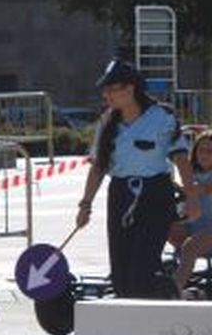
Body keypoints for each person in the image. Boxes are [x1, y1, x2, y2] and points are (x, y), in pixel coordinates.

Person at [74, 59, 199, 299]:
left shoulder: (162, 118)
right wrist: (85, 205)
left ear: (130, 89)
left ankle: (176, 300)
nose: (106, 94)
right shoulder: (107, 123)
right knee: (121, 278)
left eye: (112, 88)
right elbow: (98, 167)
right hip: (121, 195)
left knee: (142, 270)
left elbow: (181, 160)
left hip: (155, 197)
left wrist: (192, 198)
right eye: (105, 89)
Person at [168, 130, 212, 294]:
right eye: (200, 150)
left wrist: (187, 189)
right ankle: (145, 276)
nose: (203, 155)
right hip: (191, 226)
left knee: (189, 247)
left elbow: (208, 189)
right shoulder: (192, 176)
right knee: (157, 228)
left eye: (209, 151)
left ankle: (174, 289)